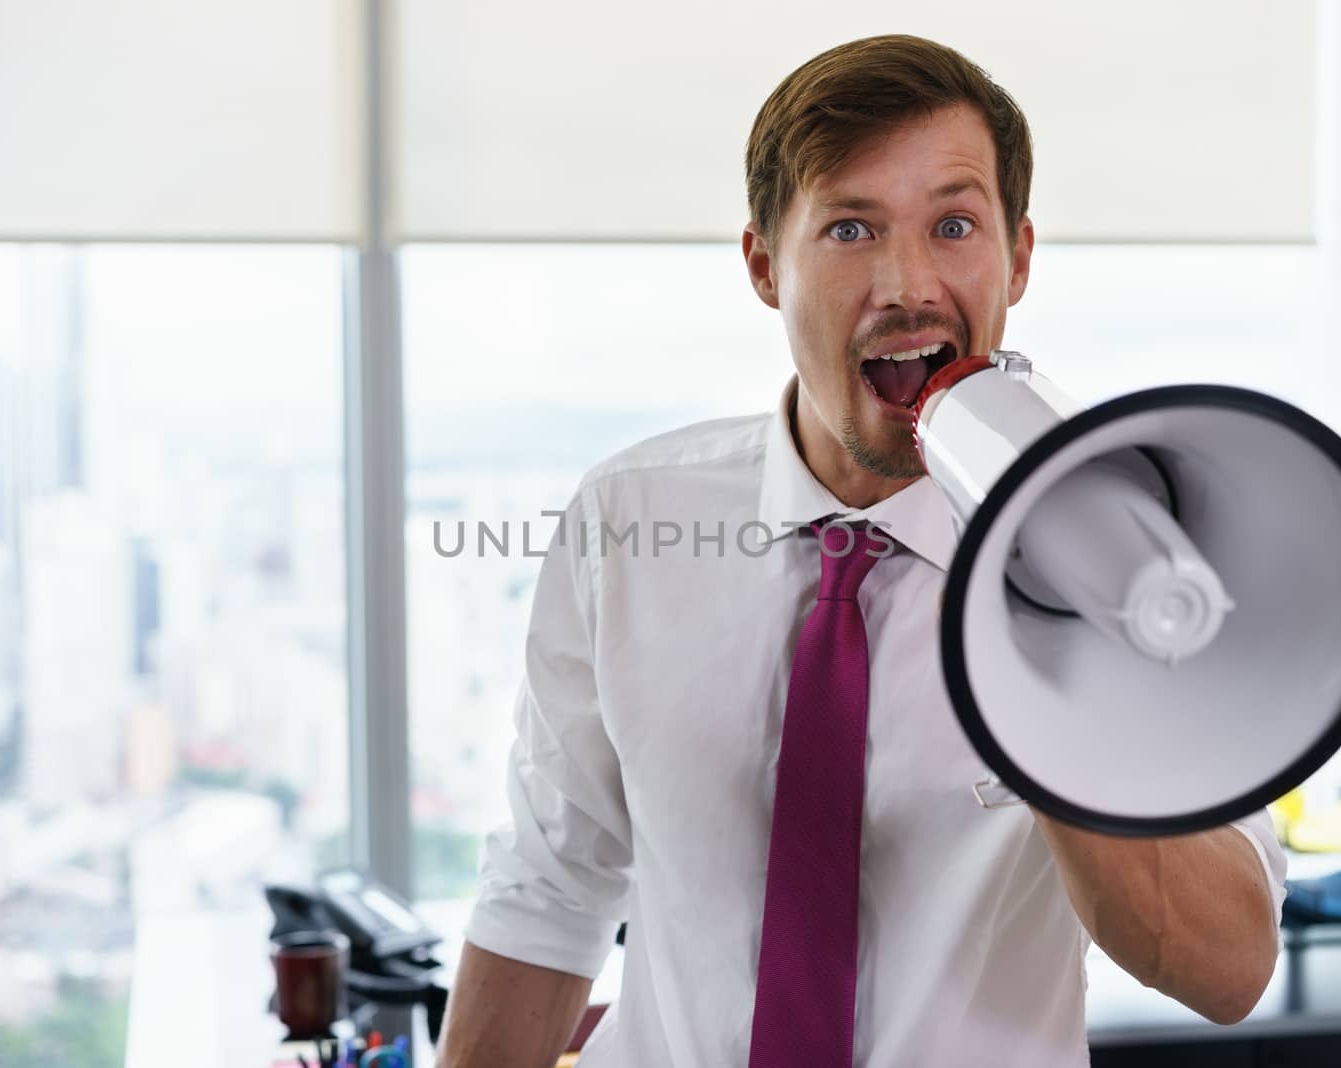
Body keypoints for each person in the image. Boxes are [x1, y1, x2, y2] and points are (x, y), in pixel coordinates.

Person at [433, 33, 1286, 1068]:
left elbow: (1226, 968)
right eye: (849, 227)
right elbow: (548, 891)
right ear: (762, 265)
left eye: (954, 225)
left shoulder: (1137, 563)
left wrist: (1050, 624)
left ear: (1017, 257)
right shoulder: (628, 518)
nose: (908, 283)